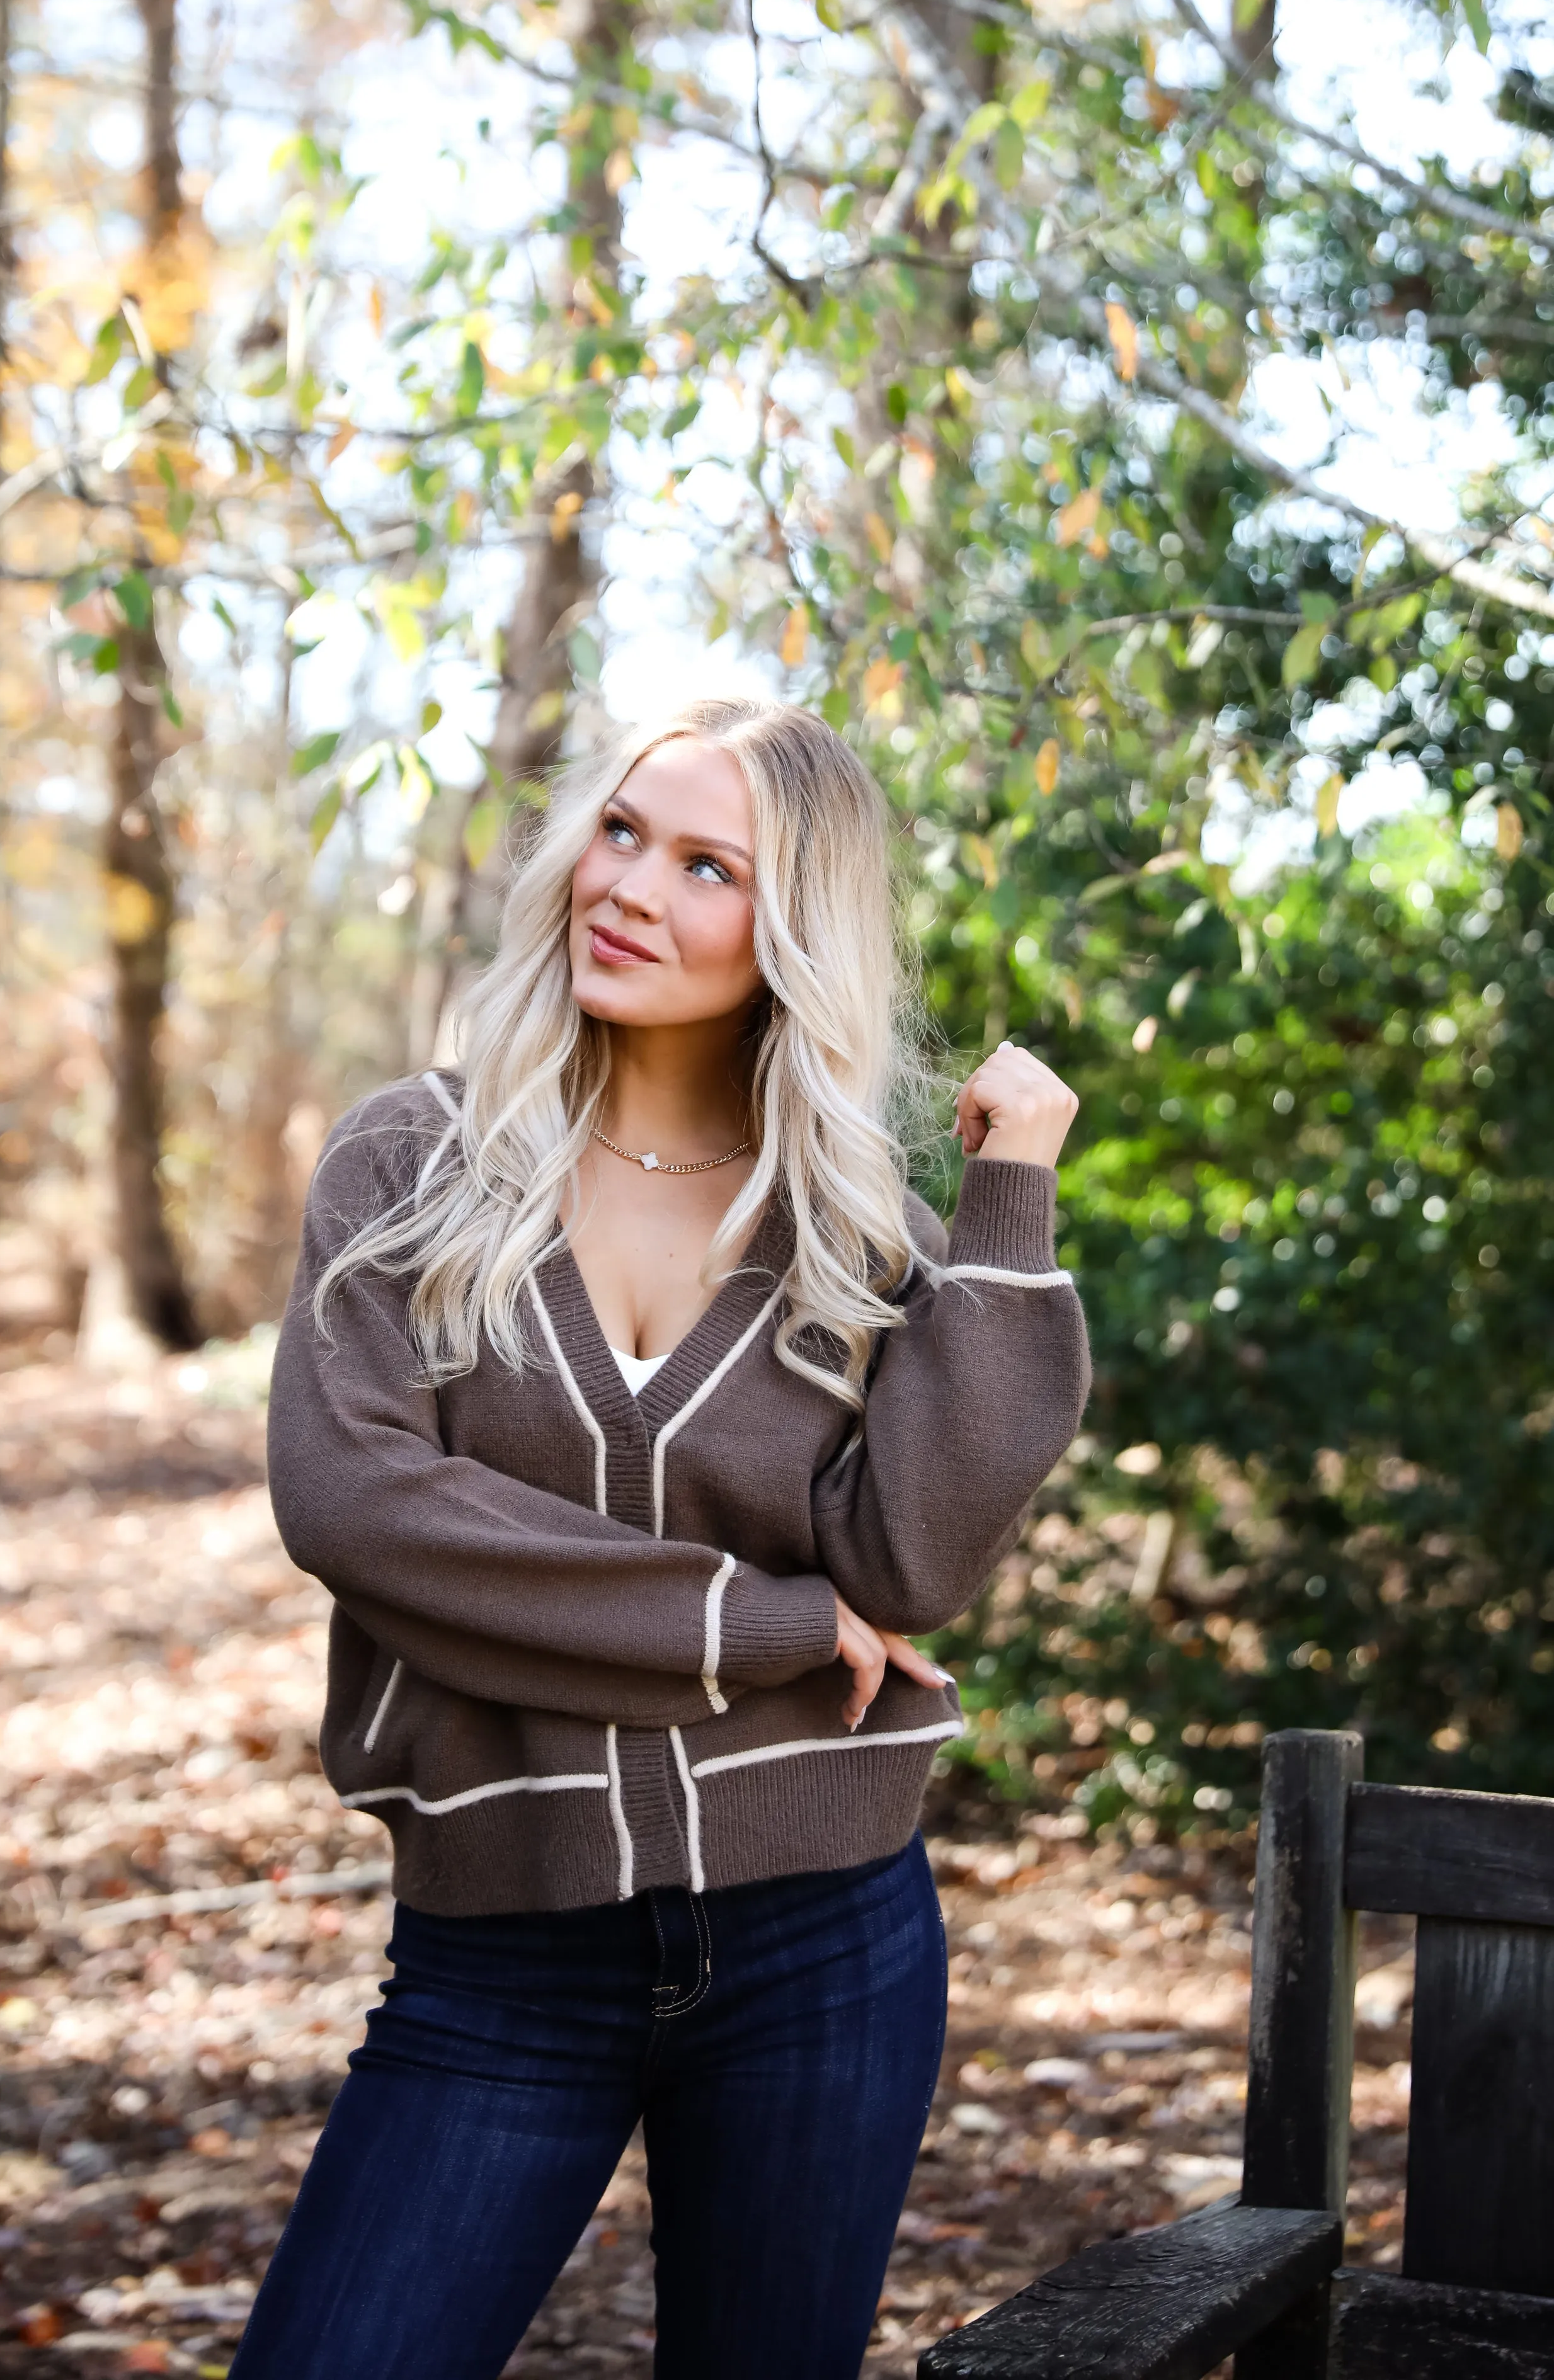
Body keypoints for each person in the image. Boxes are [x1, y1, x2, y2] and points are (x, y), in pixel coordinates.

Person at [232, 696, 1087, 2380]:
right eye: (622, 832)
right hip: (501, 1961)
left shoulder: (850, 1227)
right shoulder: (416, 1161)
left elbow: (911, 1564)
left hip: (825, 1943)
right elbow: (359, 1504)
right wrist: (753, 1624)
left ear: (789, 935)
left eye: (707, 867)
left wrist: (1011, 1202)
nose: (630, 887)